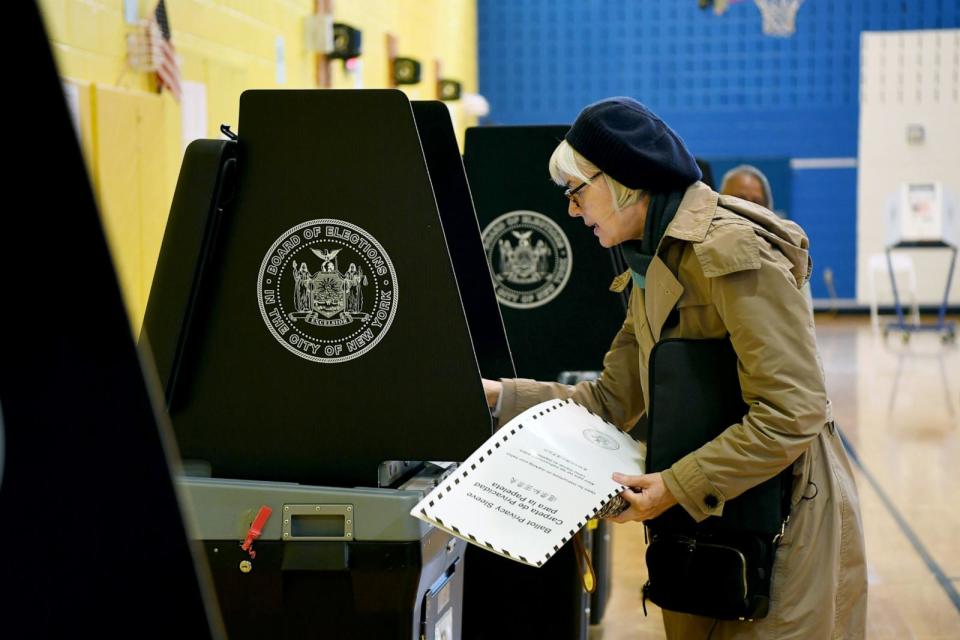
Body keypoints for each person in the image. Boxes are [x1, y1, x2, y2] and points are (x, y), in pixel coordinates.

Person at [481, 97, 866, 639]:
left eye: (576, 192)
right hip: (712, 520)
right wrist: (496, 394)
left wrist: (673, 486)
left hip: (782, 524)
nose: (571, 210)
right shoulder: (656, 258)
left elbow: (791, 411)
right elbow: (610, 401)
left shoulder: (731, 251)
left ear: (626, 181)